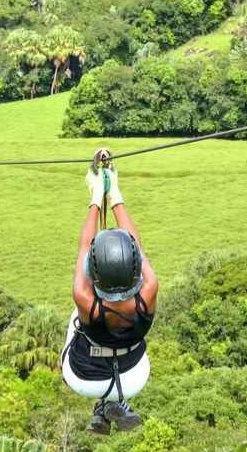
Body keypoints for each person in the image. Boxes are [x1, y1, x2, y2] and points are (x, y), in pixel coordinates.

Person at [61, 149, 159, 435]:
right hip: (133, 377)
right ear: (135, 271)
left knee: (74, 320)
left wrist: (95, 196)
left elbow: (84, 246)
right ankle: (116, 403)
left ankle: (105, 404)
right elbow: (137, 247)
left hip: (82, 377)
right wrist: (114, 194)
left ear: (96, 275)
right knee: (117, 352)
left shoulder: (84, 298)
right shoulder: (149, 290)